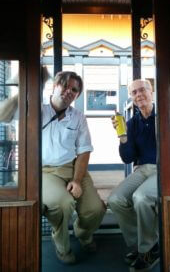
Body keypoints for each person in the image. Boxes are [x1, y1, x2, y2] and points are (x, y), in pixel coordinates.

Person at [108, 79, 170, 271]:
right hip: (143, 169)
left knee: (141, 197)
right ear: (132, 97)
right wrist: (123, 137)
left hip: (169, 168)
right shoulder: (132, 123)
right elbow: (128, 158)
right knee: (115, 199)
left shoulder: (169, 111)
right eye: (134, 92)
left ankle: (147, 249)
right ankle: (147, 244)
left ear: (151, 91)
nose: (138, 95)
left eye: (142, 90)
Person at [42, 71, 106, 264]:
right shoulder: (37, 110)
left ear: (77, 95)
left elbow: (84, 151)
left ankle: (83, 234)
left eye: (74, 89)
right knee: (63, 204)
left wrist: (77, 180)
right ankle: (62, 246)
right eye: (65, 86)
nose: (69, 91)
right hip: (46, 171)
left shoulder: (78, 117)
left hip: (73, 167)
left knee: (96, 209)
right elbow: (4, 114)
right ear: (55, 85)